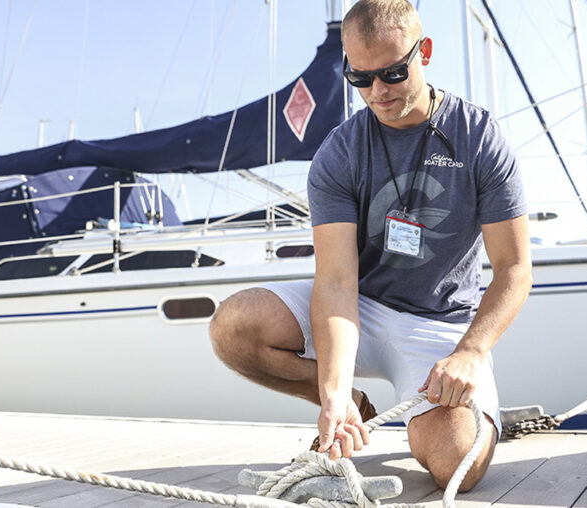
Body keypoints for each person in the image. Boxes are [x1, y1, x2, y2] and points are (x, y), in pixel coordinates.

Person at [209, 0, 531, 492]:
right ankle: (351, 407)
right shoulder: (338, 153)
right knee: (232, 327)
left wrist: (470, 352)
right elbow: (337, 283)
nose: (376, 92)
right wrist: (332, 394)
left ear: (423, 51)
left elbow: (513, 269)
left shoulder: (479, 137)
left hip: (438, 322)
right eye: (359, 78)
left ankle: (481, 415)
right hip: (359, 304)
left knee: (454, 465)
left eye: (392, 73)